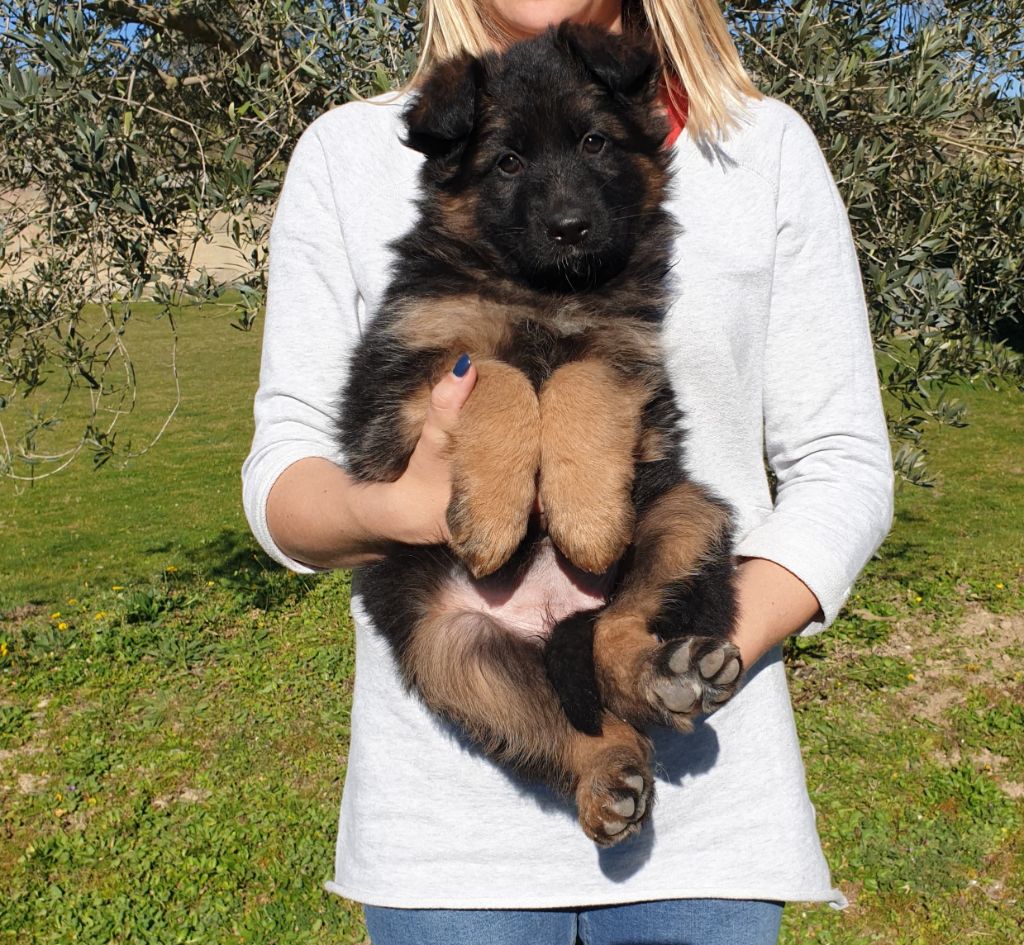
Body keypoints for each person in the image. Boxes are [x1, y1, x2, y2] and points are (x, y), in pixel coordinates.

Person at [241, 1, 894, 942]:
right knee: (437, 632)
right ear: (457, 175)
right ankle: (589, 753)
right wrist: (401, 503)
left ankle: (629, 660)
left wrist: (684, 666)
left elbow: (842, 467)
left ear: (640, 138)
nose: (562, 199)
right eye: (510, 163)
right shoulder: (351, 155)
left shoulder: (765, 149)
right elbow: (289, 469)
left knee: (691, 515)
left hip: (710, 835)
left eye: (592, 148)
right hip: (445, 844)